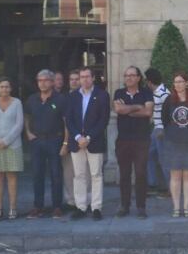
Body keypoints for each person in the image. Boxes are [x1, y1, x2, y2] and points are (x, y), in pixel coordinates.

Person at [66, 66, 110, 221]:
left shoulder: (102, 95)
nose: (84, 80)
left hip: (94, 141)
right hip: (76, 142)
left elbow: (103, 120)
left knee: (96, 175)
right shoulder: (72, 97)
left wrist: (89, 137)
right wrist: (78, 137)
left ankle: (96, 207)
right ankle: (81, 207)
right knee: (79, 175)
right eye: (81, 77)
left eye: (87, 76)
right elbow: (69, 120)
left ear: (92, 78)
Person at [24, 69, 69, 219]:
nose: (42, 83)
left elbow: (66, 123)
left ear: (52, 81)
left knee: (56, 174)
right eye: (39, 80)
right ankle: (38, 206)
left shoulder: (60, 99)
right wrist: (28, 132)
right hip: (37, 141)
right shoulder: (32, 99)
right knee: (37, 174)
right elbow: (27, 116)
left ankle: (57, 206)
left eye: (45, 80)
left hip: (55, 140)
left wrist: (65, 143)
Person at [113, 66, 154, 219]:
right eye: (126, 75)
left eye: (132, 75)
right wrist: (137, 106)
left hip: (141, 140)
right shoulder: (119, 93)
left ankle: (141, 206)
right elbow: (118, 110)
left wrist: (127, 109)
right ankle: (124, 206)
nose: (128, 78)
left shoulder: (146, 93)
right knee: (124, 174)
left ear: (138, 78)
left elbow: (148, 112)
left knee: (141, 173)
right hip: (123, 140)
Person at [161, 71, 188, 218]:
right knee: (175, 175)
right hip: (173, 142)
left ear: (186, 83)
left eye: (180, 81)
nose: (177, 84)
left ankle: (187, 208)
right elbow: (165, 120)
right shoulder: (169, 101)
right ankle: (176, 208)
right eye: (175, 82)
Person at [0, 77, 24, 220]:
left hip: (13, 145)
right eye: (2, 87)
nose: (4, 89)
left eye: (7, 87)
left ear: (11, 88)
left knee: (12, 176)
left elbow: (19, 124)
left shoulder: (17, 103)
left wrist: (6, 140)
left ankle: (13, 208)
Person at [145, 68, 170, 197]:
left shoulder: (163, 93)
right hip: (156, 129)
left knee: (163, 159)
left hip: (161, 130)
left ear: (149, 81)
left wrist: (165, 129)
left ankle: (172, 188)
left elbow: (169, 112)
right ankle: (152, 184)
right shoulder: (157, 92)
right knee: (149, 155)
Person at [61, 69, 81, 210]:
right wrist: (65, 142)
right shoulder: (64, 98)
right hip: (67, 140)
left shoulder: (86, 96)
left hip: (82, 140)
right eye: (71, 79)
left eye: (76, 79)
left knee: (82, 173)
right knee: (68, 172)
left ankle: (84, 200)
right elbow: (64, 121)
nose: (74, 81)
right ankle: (71, 201)